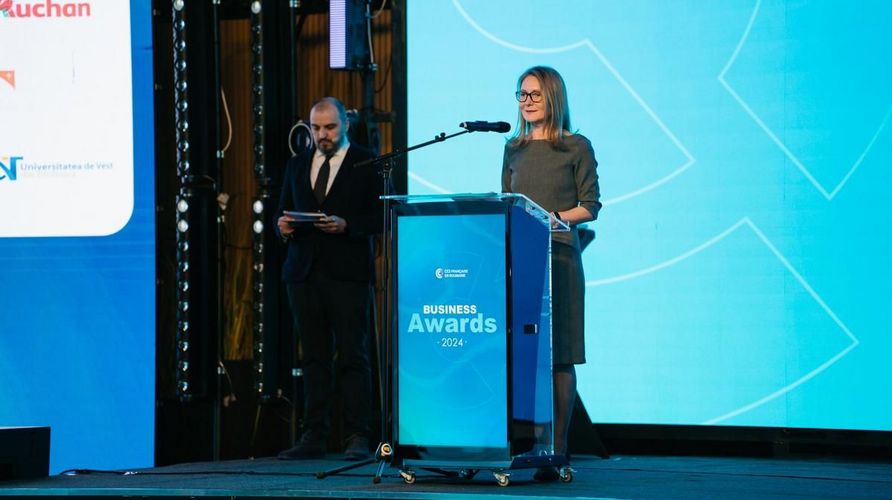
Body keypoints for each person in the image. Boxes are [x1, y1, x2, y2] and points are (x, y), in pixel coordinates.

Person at [501, 66, 601, 481]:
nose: (526, 102)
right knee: (528, 356)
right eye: (522, 94)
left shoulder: (576, 146)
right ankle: (535, 445)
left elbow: (590, 206)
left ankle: (558, 448)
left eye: (534, 95)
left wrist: (552, 218)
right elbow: (506, 203)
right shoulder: (513, 147)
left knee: (559, 354)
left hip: (559, 260)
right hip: (522, 262)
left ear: (553, 98)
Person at [276, 97, 381, 461]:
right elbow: (280, 211)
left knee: (353, 354)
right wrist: (282, 226)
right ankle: (313, 434)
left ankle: (357, 434)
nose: (322, 135)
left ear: (346, 125)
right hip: (303, 273)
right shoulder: (297, 163)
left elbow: (381, 216)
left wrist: (347, 225)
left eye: (330, 127)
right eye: (316, 128)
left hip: (348, 273)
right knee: (313, 357)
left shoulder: (366, 162)